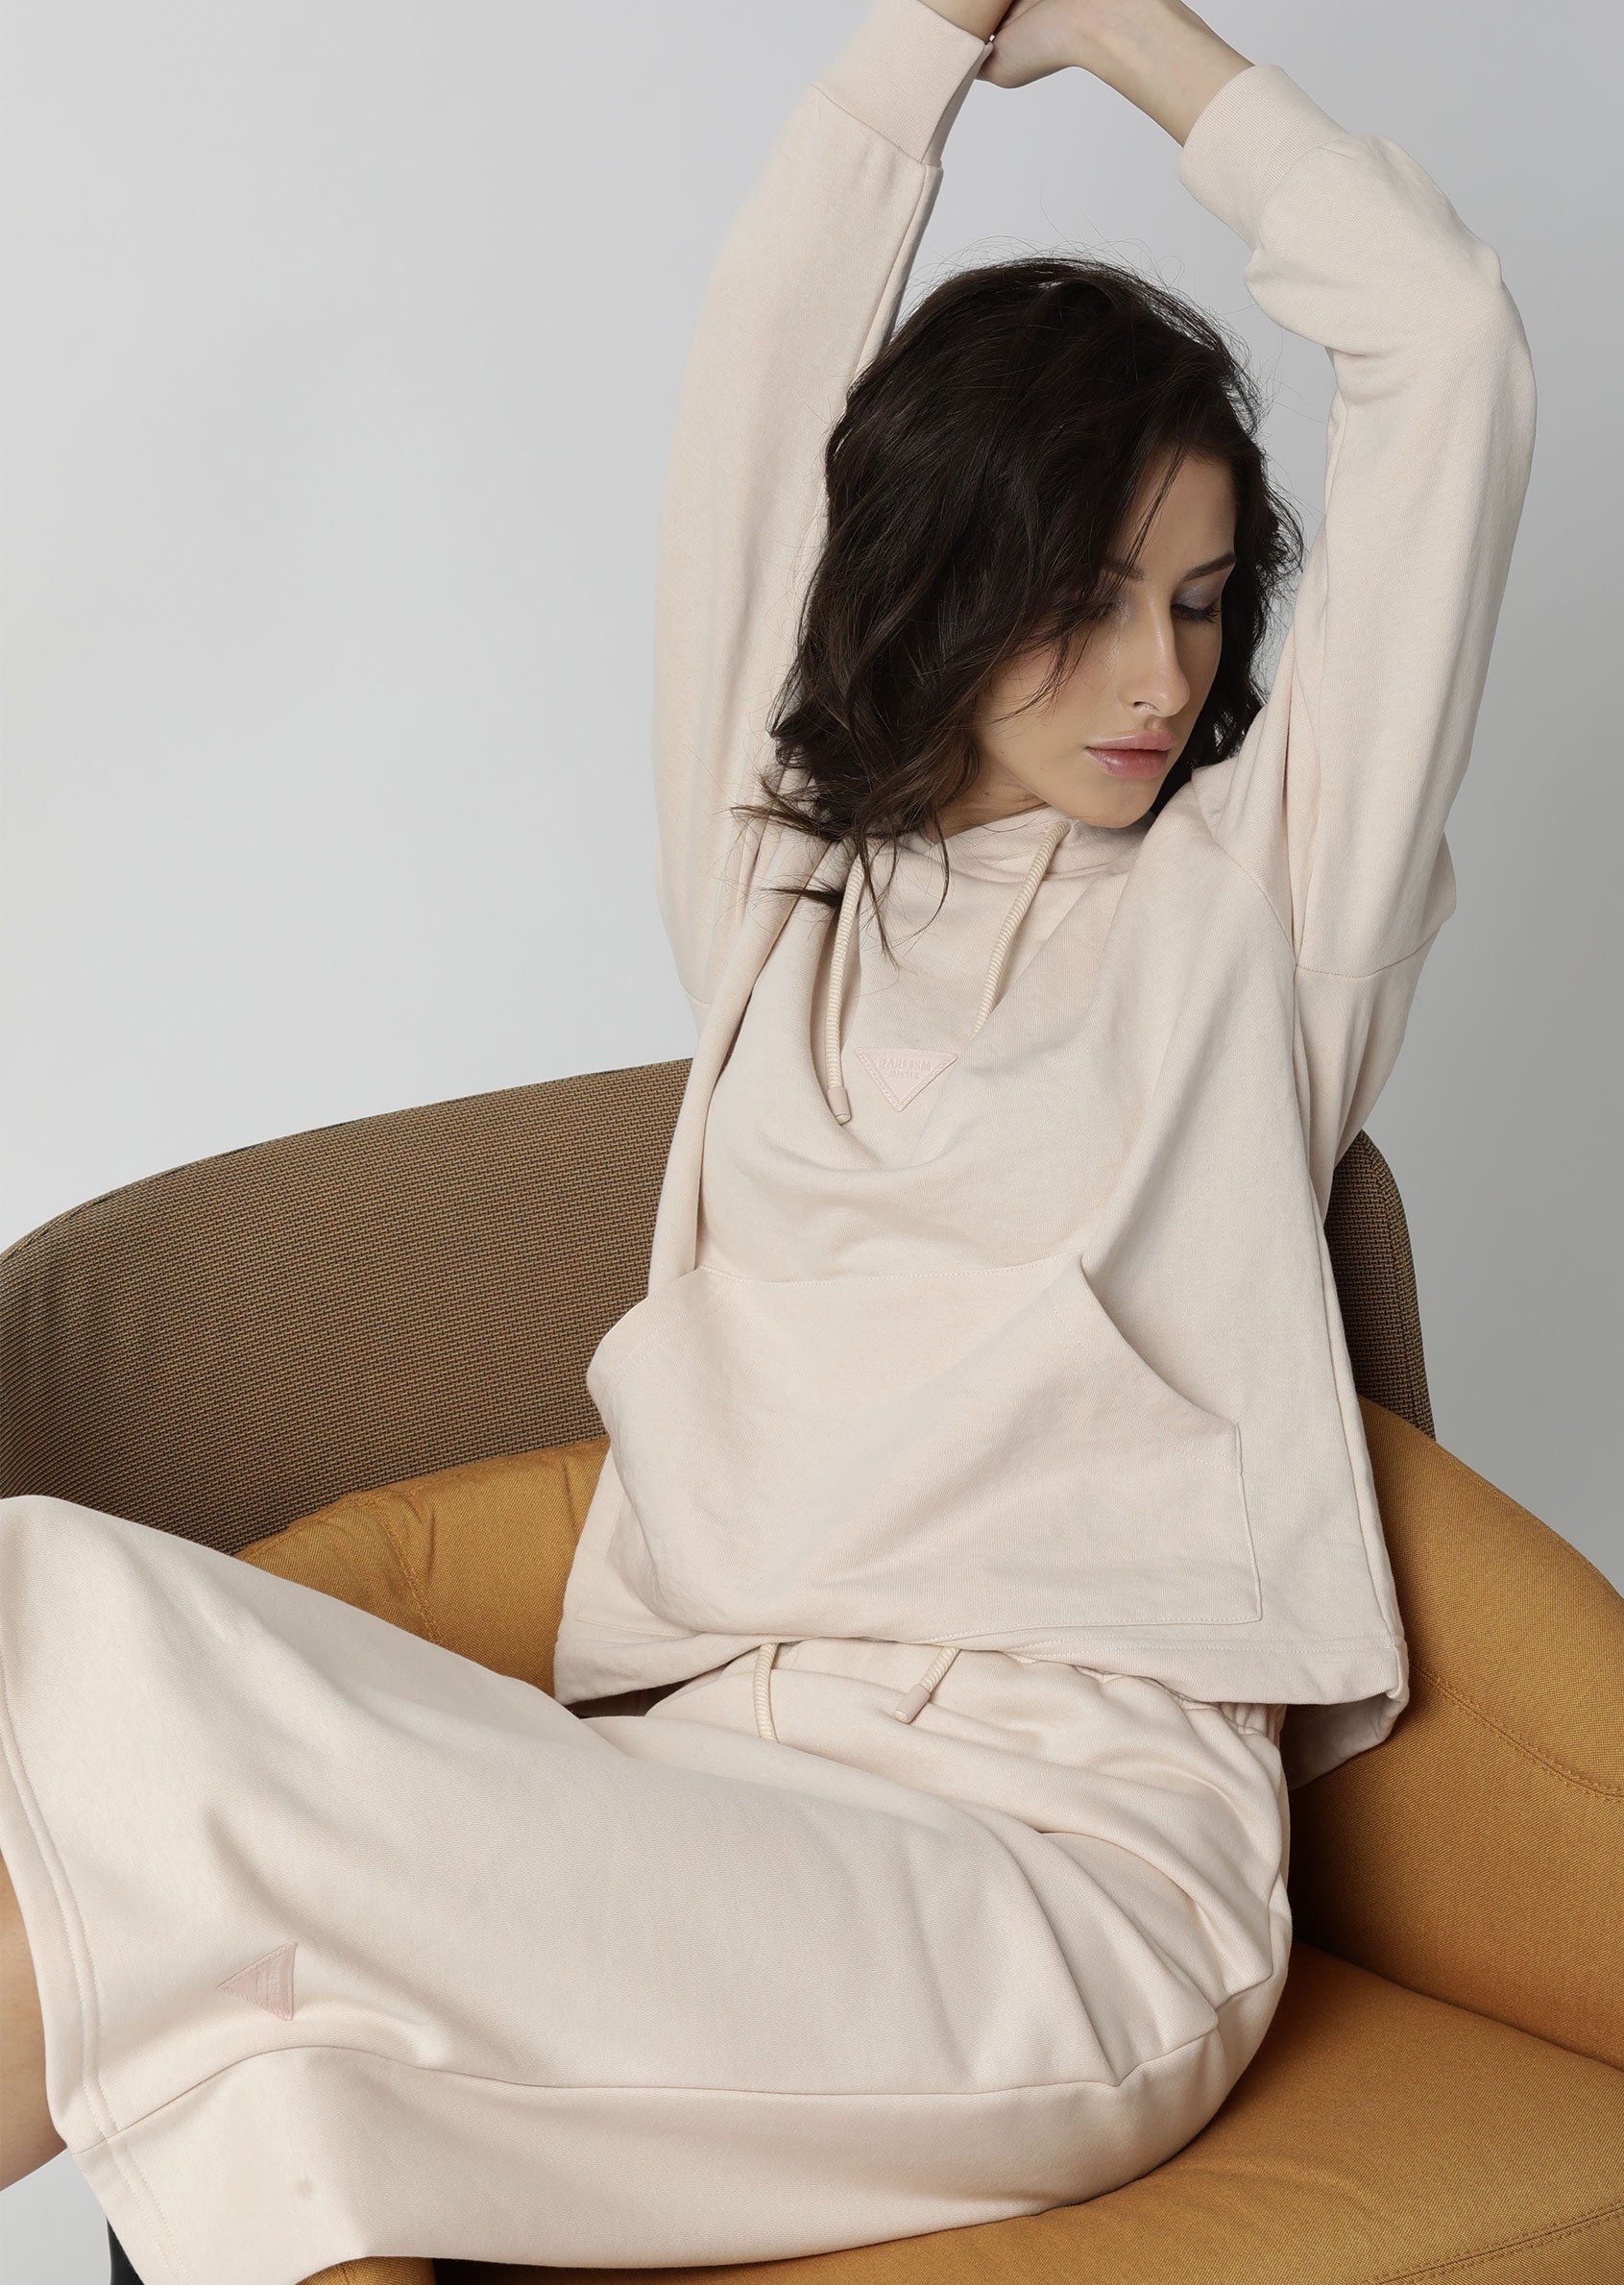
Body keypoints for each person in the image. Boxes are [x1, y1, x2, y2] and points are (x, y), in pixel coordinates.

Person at [0, 0, 1537, 2277]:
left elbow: (1449, 347)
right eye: (1088, 597)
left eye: (1205, 605)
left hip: (1060, 1876)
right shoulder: (783, 896)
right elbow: (758, 384)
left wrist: (1130, 38)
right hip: (711, 1776)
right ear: (941, 577)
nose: (1163, 678)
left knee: (192, 1888)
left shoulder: (1263, 919)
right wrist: (912, 54)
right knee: (85, 1683)